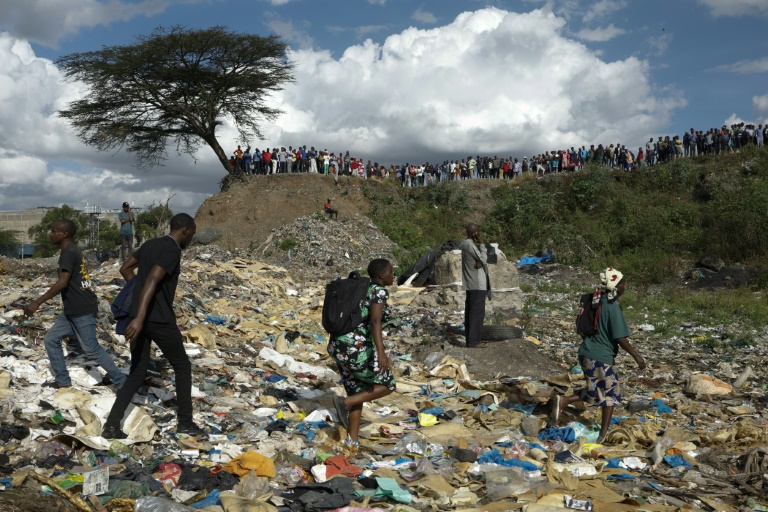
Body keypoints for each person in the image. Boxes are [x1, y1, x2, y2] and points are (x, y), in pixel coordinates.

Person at [102, 213, 203, 439]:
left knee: (137, 372)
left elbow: (126, 269)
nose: (191, 239)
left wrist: (137, 303)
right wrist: (140, 316)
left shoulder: (150, 244)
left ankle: (111, 425)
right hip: (157, 320)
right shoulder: (172, 249)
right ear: (185, 230)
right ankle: (186, 423)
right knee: (182, 366)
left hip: (139, 319)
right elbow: (153, 279)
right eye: (192, 234)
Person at [24, 219, 126, 389]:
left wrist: (37, 302)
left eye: (54, 230)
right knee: (51, 339)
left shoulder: (69, 252)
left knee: (91, 348)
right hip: (71, 309)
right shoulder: (70, 251)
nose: (50, 233)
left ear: (65, 234)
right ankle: (63, 381)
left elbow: (63, 282)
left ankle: (122, 382)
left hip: (81, 309)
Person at [551, 267, 646, 444]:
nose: (625, 287)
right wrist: (637, 356)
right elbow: (619, 337)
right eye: (623, 283)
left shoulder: (595, 300)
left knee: (595, 390)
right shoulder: (612, 306)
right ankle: (603, 435)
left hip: (586, 353)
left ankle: (563, 401)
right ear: (616, 285)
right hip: (600, 357)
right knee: (610, 396)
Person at [329, 258, 396, 448]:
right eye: (391, 272)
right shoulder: (378, 291)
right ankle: (345, 402)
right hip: (354, 348)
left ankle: (352, 442)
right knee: (388, 384)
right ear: (383, 275)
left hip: (338, 345)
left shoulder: (361, 288)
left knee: (358, 391)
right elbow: (376, 321)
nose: (393, 275)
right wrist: (381, 353)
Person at [461, 224, 492, 348]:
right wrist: (482, 244)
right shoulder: (470, 245)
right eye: (478, 232)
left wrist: (481, 261)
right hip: (477, 284)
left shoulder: (464, 244)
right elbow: (484, 259)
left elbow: (480, 261)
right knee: (477, 313)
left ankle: (471, 340)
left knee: (471, 312)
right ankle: (474, 341)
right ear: (475, 234)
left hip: (470, 282)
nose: (480, 235)